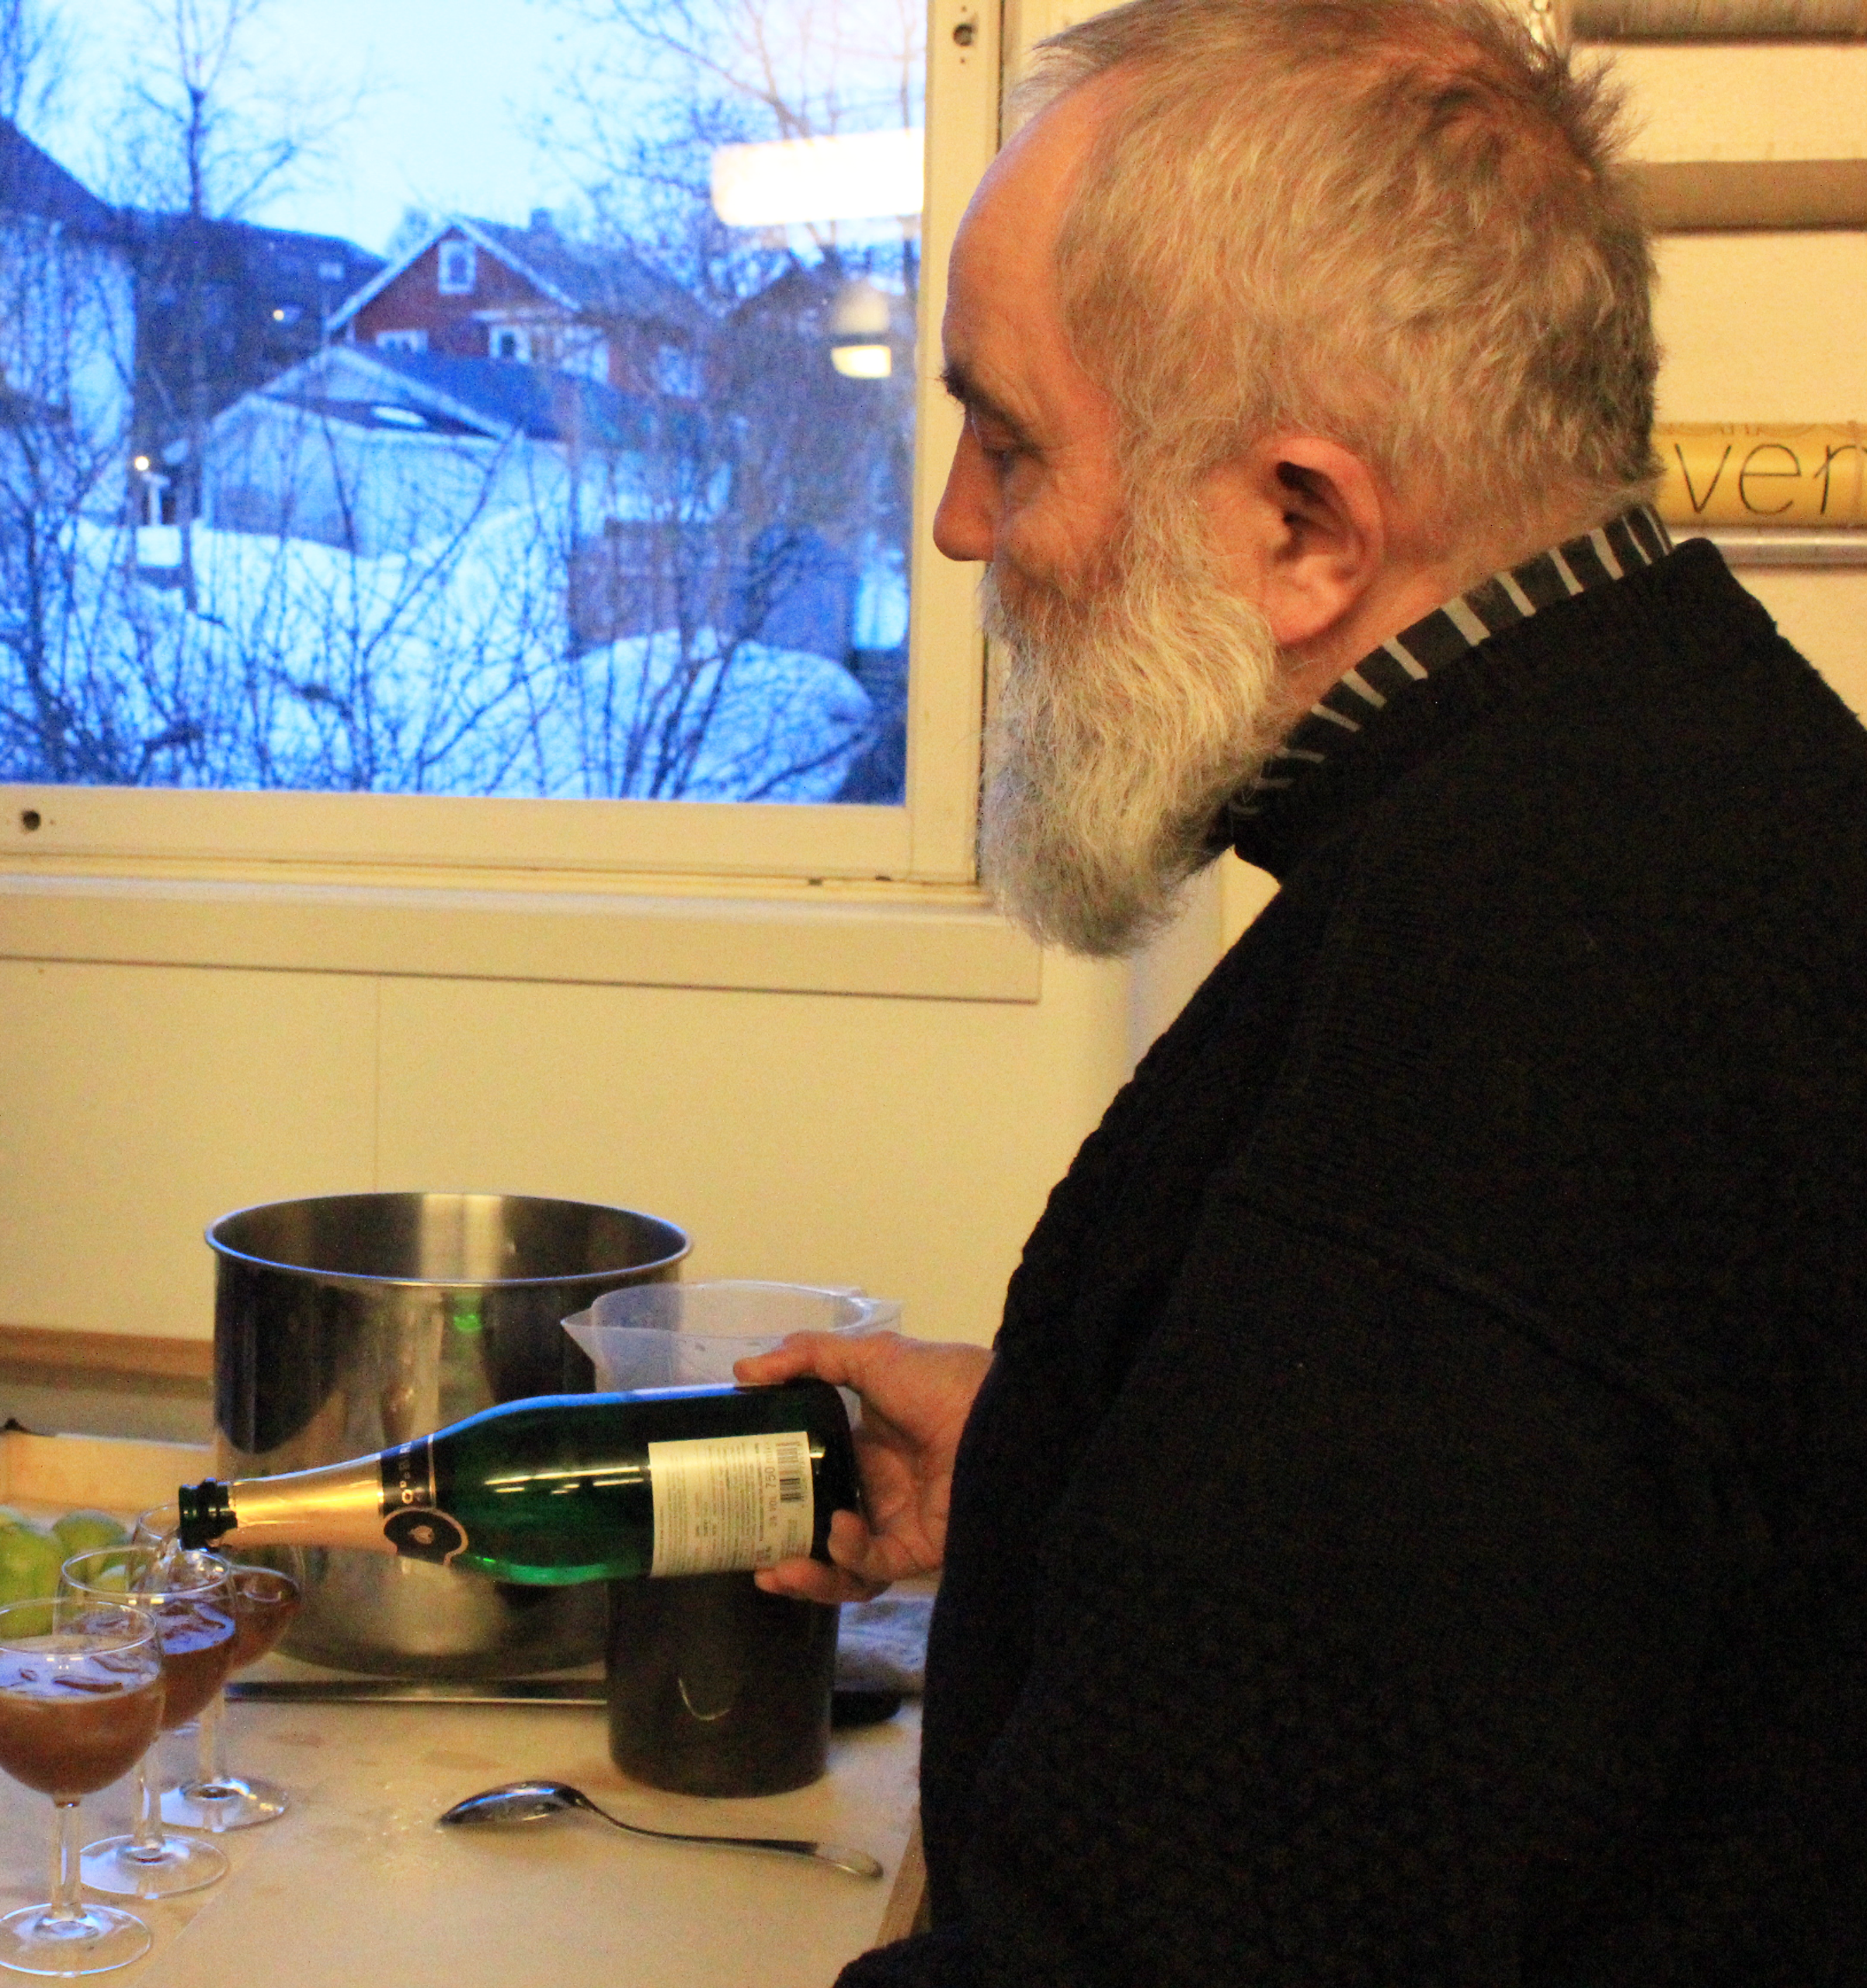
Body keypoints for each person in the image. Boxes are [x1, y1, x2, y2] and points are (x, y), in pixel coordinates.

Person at [745, 2, 1867, 1980]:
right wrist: (1081, 1464)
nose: (960, 526)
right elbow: (1513, 1559)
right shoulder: (1691, 764)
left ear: (1302, 526)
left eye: (1009, 437)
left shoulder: (1496, 1042)